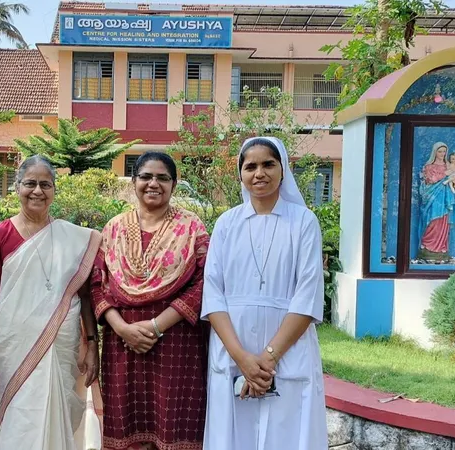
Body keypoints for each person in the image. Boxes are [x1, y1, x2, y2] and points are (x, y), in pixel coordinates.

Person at [201, 136, 327, 450]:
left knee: (287, 435)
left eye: (268, 164)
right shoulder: (226, 224)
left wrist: (268, 358)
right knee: (233, 436)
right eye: (250, 166)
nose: (259, 173)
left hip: (287, 348)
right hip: (234, 347)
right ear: (240, 173)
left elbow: (307, 296)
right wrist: (242, 358)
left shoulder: (304, 222)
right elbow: (213, 294)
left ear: (283, 170)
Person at [0, 155, 103, 450]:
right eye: (30, 183)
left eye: (45, 184)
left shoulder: (73, 238)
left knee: (60, 419)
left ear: (54, 190)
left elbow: (84, 296)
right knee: (20, 422)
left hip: (63, 348)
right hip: (14, 349)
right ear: (17, 187)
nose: (37, 191)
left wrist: (92, 346)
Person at [90, 152, 210, 450]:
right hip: (123, 345)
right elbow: (96, 284)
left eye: (162, 178)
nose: (153, 183)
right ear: (134, 182)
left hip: (176, 344)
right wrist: (122, 328)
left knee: (174, 428)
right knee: (126, 427)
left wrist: (156, 326)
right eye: (145, 176)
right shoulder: (114, 228)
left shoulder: (191, 227)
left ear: (174, 184)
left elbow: (206, 283)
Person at [418, 141, 454, 255]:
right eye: (440, 151)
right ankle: (427, 246)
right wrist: (445, 174)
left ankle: (440, 247)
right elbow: (430, 180)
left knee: (443, 222)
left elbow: (454, 181)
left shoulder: (448, 165)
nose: (442, 154)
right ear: (435, 152)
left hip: (445, 198)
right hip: (432, 198)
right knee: (432, 220)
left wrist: (454, 181)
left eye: (444, 151)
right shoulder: (429, 166)